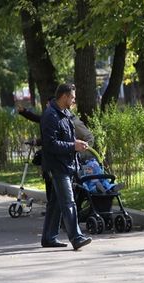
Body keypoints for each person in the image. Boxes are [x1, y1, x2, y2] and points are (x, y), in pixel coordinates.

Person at [40, 83, 92, 250]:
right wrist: (73, 146)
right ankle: (76, 238)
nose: (74, 100)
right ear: (64, 97)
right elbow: (50, 144)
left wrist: (76, 145)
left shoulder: (65, 113)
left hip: (66, 164)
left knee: (55, 203)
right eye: (72, 97)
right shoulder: (50, 116)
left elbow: (68, 139)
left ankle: (49, 238)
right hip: (57, 166)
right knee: (69, 202)